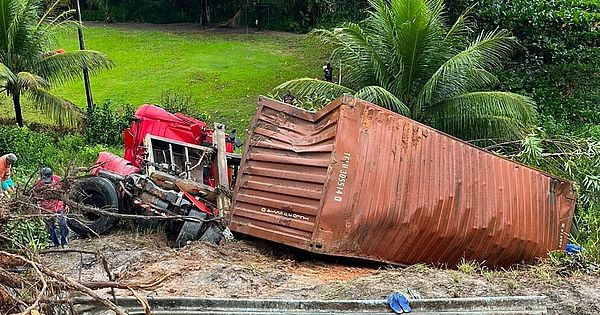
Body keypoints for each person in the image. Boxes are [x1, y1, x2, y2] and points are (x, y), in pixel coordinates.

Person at [34, 167, 68, 248]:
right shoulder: (37, 184)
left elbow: (64, 193)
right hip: (46, 208)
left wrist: (66, 204)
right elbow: (35, 197)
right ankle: (56, 243)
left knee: (63, 224)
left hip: (58, 205)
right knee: (50, 227)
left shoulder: (58, 180)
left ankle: (64, 242)